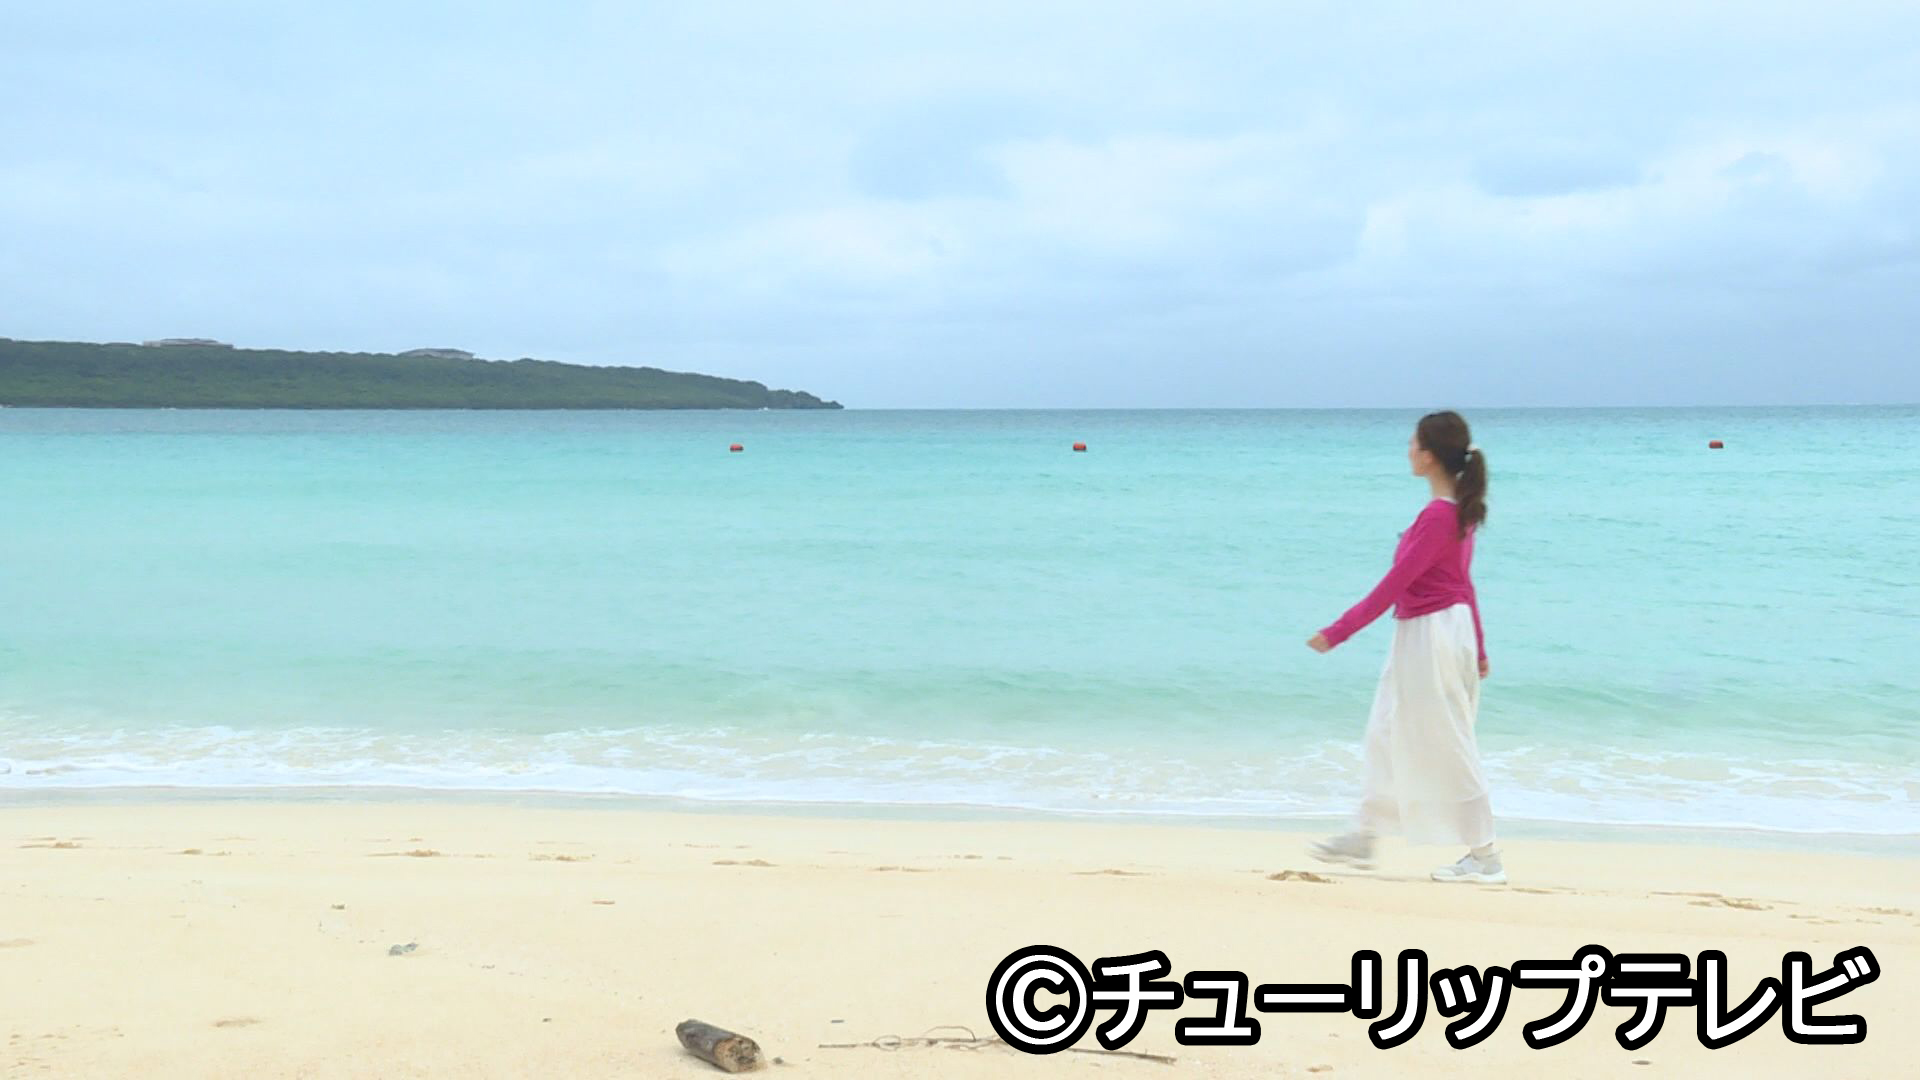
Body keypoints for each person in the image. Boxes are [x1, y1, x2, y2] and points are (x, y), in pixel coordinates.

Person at [1305, 410, 1503, 884]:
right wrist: (1478, 647)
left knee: (1448, 741)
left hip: (1433, 633)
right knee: (1385, 731)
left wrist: (1339, 631)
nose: (1408, 450)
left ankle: (1486, 856)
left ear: (1429, 456)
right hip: (1431, 630)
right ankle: (1365, 833)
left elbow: (1396, 583)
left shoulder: (1439, 516)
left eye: (1413, 443)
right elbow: (1464, 583)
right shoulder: (1452, 511)